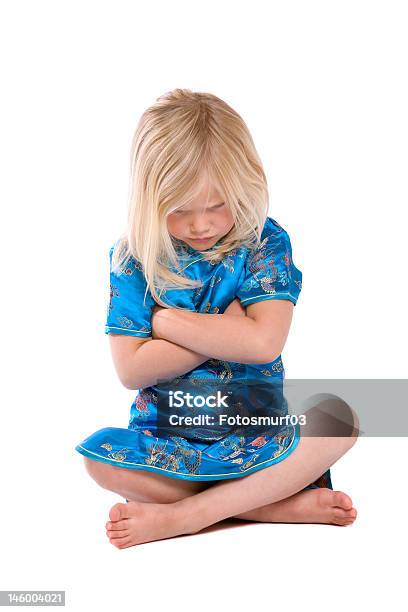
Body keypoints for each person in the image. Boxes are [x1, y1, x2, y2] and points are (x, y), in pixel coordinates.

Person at [75, 88, 359, 549]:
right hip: (169, 440)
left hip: (259, 436)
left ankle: (191, 514)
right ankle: (266, 505)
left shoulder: (264, 242)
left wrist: (165, 324)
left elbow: (265, 343)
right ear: (149, 200)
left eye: (217, 205)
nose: (201, 225)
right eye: (180, 209)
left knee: (340, 418)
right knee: (97, 458)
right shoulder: (133, 259)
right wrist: (228, 329)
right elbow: (130, 369)